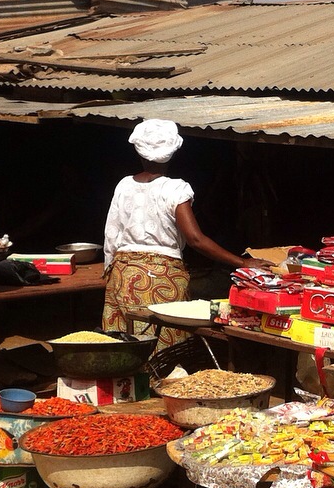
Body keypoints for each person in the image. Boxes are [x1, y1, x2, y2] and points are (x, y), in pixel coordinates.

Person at [102, 119, 266, 347]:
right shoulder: (176, 188)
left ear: (138, 151)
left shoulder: (124, 185)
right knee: (163, 346)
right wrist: (241, 262)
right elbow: (195, 239)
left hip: (122, 275)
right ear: (173, 152)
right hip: (161, 278)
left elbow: (111, 237)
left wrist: (112, 275)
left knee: (125, 345)